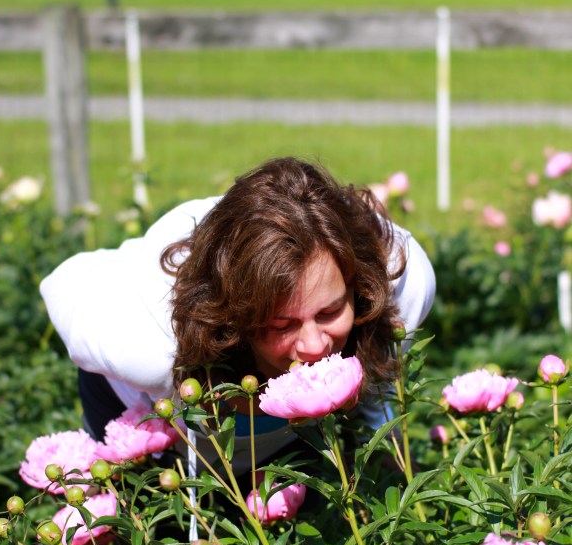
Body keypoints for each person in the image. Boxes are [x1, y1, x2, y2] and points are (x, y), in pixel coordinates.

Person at [40, 156, 435, 475]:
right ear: (235, 318)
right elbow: (62, 284)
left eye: (330, 311)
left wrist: (389, 457)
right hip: (142, 410)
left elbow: (382, 399)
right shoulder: (145, 343)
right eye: (283, 324)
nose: (315, 346)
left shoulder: (401, 283)